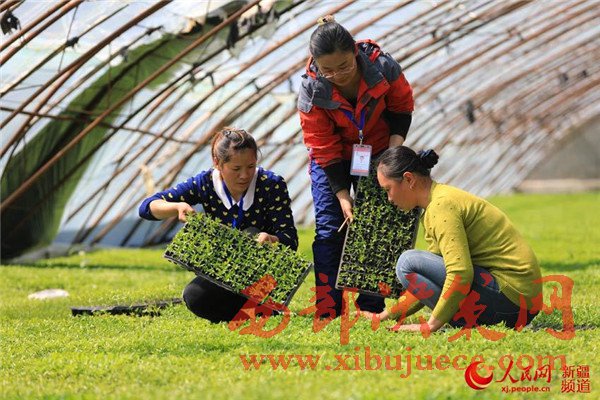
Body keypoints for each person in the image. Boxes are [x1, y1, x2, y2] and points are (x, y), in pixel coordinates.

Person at [297, 15, 414, 318]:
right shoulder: (312, 88)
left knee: (376, 225)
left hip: (377, 151)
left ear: (355, 53)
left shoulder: (383, 68)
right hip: (330, 159)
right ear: (316, 64)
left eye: (344, 66)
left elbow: (401, 107)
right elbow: (321, 143)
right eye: (327, 70)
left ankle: (370, 305)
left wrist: (391, 154)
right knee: (329, 229)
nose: (336, 75)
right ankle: (328, 308)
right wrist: (341, 194)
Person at [372, 146, 542, 331]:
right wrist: (385, 316)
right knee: (413, 264)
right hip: (519, 304)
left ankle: (454, 320)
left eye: (388, 189)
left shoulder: (441, 206)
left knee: (407, 262)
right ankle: (463, 320)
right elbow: (425, 280)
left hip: (513, 301)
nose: (389, 198)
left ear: (409, 179)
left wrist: (430, 326)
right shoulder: (437, 201)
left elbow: (460, 273)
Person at [139, 128, 298, 322]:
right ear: (217, 163)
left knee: (250, 234)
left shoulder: (271, 184)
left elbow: (290, 239)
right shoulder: (204, 183)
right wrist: (177, 207)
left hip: (263, 275)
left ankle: (261, 308)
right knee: (194, 296)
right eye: (236, 169)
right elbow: (147, 207)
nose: (244, 175)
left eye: (250, 166)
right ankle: (251, 315)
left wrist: (272, 239)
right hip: (224, 273)